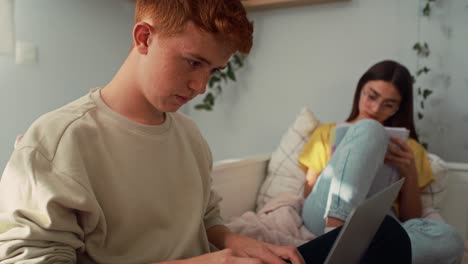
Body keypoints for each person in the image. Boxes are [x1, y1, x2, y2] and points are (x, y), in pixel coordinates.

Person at [0, 1, 412, 262]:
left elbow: (207, 220)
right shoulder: (58, 143)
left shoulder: (190, 137)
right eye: (193, 63)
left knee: (386, 236)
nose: (201, 87)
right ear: (144, 37)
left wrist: (239, 243)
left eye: (212, 71)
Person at [299, 60, 464, 264]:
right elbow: (309, 194)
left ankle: (355, 254)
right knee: (370, 128)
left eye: (389, 104)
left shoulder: (409, 148)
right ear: (360, 89)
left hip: (377, 224)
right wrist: (348, 162)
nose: (376, 108)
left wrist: (409, 173)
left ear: (398, 108)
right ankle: (336, 236)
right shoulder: (325, 133)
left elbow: (411, 217)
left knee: (451, 239)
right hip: (324, 215)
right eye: (372, 96)